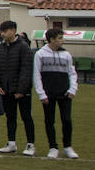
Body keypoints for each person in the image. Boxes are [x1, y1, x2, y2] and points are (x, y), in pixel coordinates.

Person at [0, 21, 36, 155]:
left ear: (13, 31)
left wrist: (21, 90)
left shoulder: (23, 47)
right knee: (10, 117)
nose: (2, 34)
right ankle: (11, 143)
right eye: (1, 32)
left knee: (26, 117)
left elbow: (26, 69)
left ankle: (30, 144)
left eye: (5, 31)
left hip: (22, 91)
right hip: (6, 90)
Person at [33, 28, 79, 159]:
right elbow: (36, 75)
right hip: (48, 94)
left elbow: (72, 73)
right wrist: (41, 94)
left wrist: (72, 89)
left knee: (67, 120)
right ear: (51, 39)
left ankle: (67, 147)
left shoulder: (66, 55)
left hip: (65, 93)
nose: (62, 40)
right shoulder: (40, 54)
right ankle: (53, 147)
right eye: (59, 38)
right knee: (49, 121)